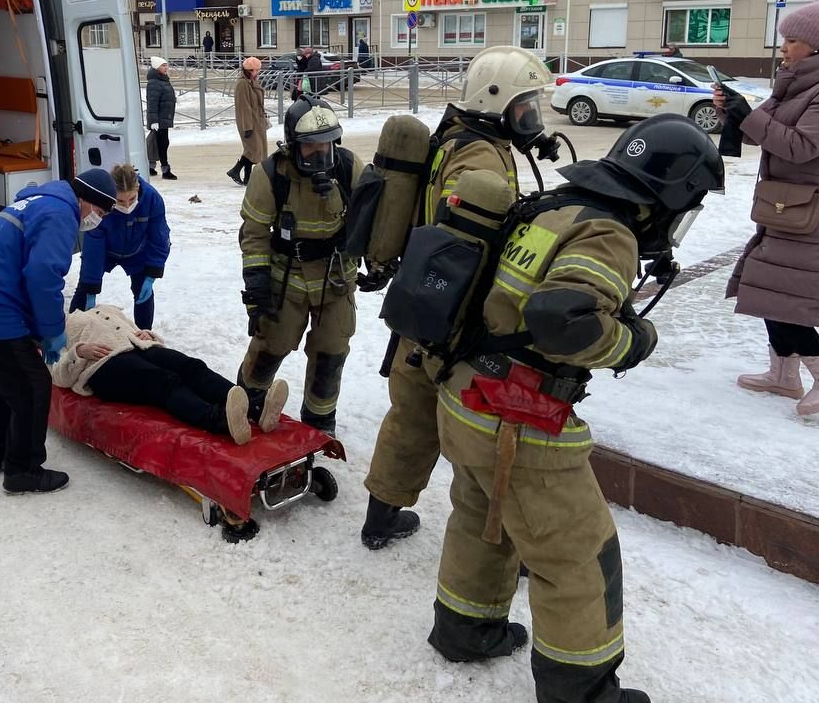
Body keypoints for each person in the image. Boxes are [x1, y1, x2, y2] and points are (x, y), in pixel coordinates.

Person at [427, 114, 723, 703]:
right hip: (518, 418)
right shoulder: (609, 233)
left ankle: (466, 629)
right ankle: (581, 690)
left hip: (462, 396)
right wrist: (632, 343)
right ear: (666, 197)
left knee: (483, 521)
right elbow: (562, 320)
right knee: (580, 551)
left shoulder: (552, 208)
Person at [362, 46, 554, 550]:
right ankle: (510, 543)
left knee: (410, 419)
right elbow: (477, 244)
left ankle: (379, 517)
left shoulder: (455, 137)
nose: (531, 117)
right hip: (458, 314)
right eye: (524, 105)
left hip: (424, 306)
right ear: (497, 103)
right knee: (482, 432)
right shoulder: (481, 154)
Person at [714, 0, 819, 415]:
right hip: (788, 206)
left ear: (816, 46)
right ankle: (783, 375)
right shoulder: (797, 82)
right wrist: (736, 113)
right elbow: (767, 133)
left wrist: (752, 119)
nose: (783, 48)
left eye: (791, 41)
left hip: (818, 212)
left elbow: (802, 146)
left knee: (785, 296)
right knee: (769, 286)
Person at [0, 168, 117, 494]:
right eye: (101, 212)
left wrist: (38, 331)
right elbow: (42, 276)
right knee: (34, 384)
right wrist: (52, 332)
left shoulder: (41, 202)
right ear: (88, 201)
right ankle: (23, 470)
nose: (98, 221)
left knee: (9, 382)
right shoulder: (60, 213)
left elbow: (24, 273)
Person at [238, 93, 364, 434]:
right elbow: (254, 235)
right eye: (310, 146)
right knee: (270, 346)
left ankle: (319, 421)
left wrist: (379, 263)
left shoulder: (350, 168)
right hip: (285, 282)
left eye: (327, 143)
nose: (320, 152)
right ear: (293, 144)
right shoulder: (269, 175)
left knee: (332, 351)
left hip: (336, 281)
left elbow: (372, 220)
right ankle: (246, 403)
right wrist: (257, 286)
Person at [52, 304, 289, 445]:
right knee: (162, 381)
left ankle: (254, 407)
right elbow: (59, 376)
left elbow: (133, 329)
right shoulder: (58, 329)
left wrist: (145, 334)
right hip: (103, 366)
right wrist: (79, 351)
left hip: (141, 348)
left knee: (191, 366)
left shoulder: (106, 308)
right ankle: (219, 420)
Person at [70, 164, 170, 330]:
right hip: (106, 251)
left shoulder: (152, 199)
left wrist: (153, 271)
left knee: (143, 292)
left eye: (131, 199)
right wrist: (91, 285)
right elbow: (93, 249)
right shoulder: (102, 202)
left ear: (137, 188)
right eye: (120, 201)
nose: (127, 205)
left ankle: (145, 335)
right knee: (84, 289)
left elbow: (159, 236)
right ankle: (73, 330)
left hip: (137, 251)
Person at [228, 56, 269, 186]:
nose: (257, 73)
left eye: (258, 70)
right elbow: (243, 106)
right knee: (254, 150)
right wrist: (247, 127)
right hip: (249, 122)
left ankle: (247, 178)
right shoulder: (242, 83)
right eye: (255, 70)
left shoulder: (252, 81)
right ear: (248, 70)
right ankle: (235, 170)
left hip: (257, 121)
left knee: (254, 150)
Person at [146, 57, 177, 180]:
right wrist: (154, 121)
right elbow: (152, 103)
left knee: (156, 143)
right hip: (159, 119)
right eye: (163, 66)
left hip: (164, 118)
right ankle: (165, 170)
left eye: (166, 65)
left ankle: (150, 166)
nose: (166, 68)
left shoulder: (163, 80)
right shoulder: (154, 82)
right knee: (162, 144)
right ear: (156, 67)